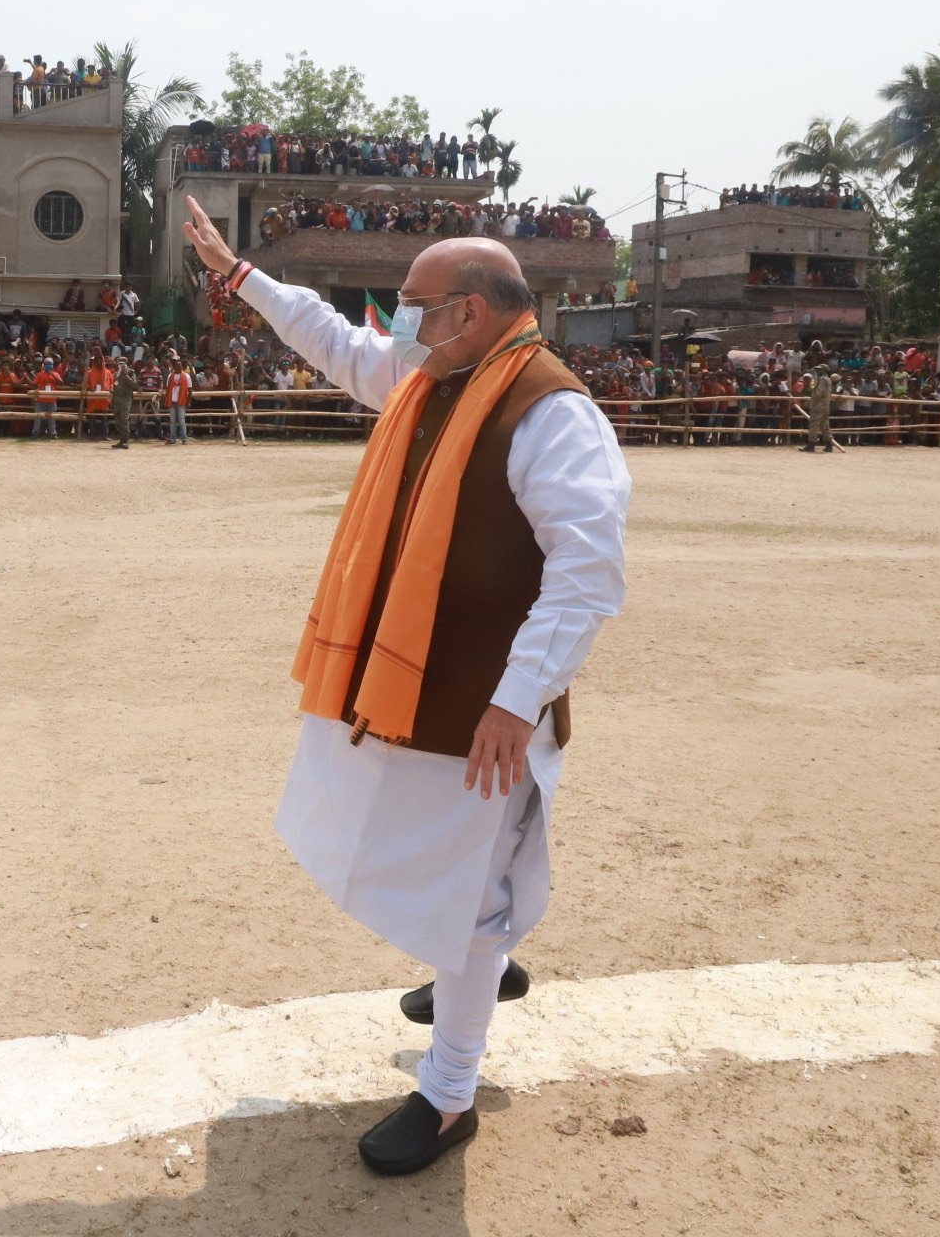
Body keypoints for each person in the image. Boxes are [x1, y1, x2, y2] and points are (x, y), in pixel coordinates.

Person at [181, 195, 630, 1177]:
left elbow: (588, 566)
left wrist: (517, 700)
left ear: (468, 311)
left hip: (482, 710)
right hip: (413, 687)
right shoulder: (431, 372)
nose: (398, 317)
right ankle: (481, 960)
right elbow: (333, 340)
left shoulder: (550, 409)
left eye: (415, 301)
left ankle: (448, 1093)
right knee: (416, 850)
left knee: (465, 899)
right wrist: (240, 275)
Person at [109, 351, 136, 449]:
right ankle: (121, 440)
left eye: (123, 363)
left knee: (124, 420)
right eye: (119, 363)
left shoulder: (131, 372)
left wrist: (126, 376)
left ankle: (125, 441)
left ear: (126, 364)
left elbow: (135, 386)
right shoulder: (116, 374)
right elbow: (115, 385)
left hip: (126, 399)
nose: (121, 365)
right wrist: (112, 389)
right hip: (117, 399)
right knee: (118, 420)